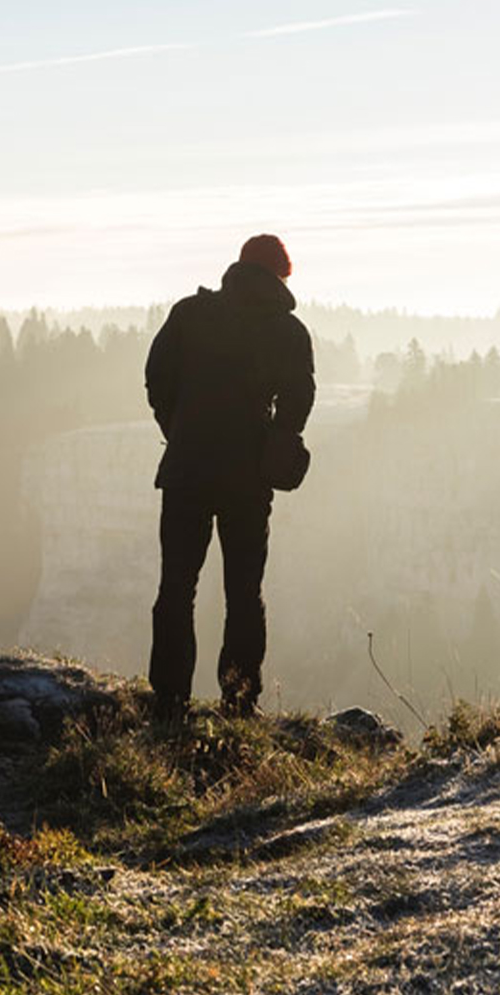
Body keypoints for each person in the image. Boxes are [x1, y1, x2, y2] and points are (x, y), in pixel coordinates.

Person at [144, 234, 315, 721]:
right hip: (247, 478)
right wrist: (277, 437)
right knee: (243, 592)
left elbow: (157, 378)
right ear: (281, 275)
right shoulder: (287, 331)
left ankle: (169, 702)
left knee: (176, 587)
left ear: (238, 268)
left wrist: (177, 429)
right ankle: (239, 703)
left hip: (186, 471)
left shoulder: (189, 315)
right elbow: (299, 398)